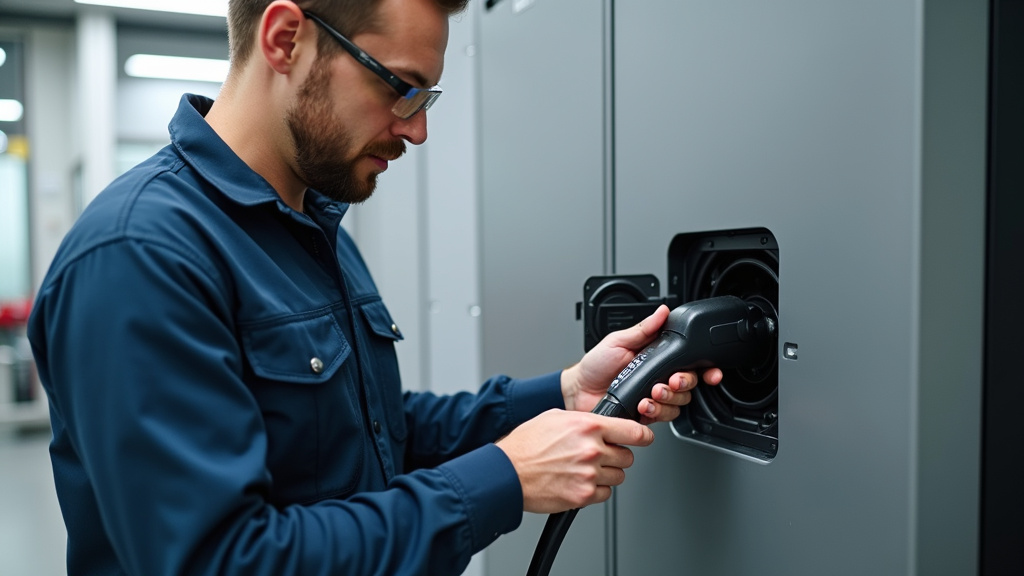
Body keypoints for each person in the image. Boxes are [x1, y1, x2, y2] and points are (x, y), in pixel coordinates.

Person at [27, 0, 722, 574]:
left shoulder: (311, 224)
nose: (417, 129)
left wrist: (564, 393)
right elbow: (223, 560)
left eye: (428, 96)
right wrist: (502, 480)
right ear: (285, 39)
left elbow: (374, 431)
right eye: (399, 87)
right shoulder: (140, 256)